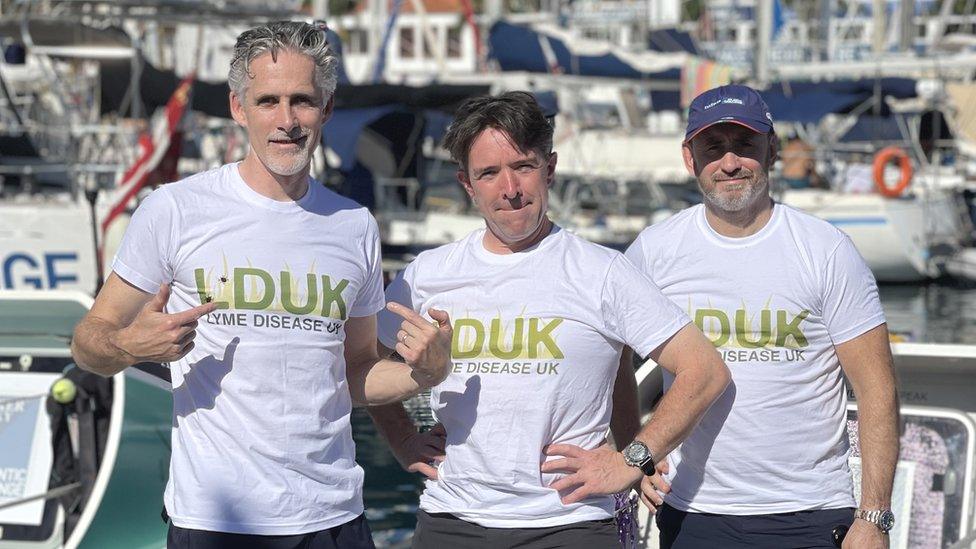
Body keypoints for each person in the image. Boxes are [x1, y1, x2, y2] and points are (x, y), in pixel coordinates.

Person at [70, 21, 453, 549]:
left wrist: (423, 374)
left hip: (334, 516)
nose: (287, 120)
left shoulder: (354, 225)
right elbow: (88, 342)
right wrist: (128, 346)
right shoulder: (175, 210)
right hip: (217, 521)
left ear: (328, 108)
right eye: (268, 100)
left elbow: (357, 371)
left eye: (303, 101)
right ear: (237, 107)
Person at [367, 91, 730, 548]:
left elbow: (705, 369)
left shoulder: (603, 272)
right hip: (452, 520)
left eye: (523, 166)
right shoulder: (428, 275)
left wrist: (632, 457)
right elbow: (363, 364)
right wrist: (402, 439)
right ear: (467, 184)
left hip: (569, 524)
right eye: (489, 173)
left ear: (550, 169)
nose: (510, 188)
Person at [624, 84, 900, 548]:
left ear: (771, 150)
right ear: (690, 159)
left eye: (745, 145)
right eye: (713, 148)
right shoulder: (654, 252)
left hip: (809, 511)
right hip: (694, 510)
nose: (730, 162)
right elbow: (603, 359)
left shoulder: (826, 250)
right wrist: (631, 452)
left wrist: (874, 516)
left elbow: (877, 389)